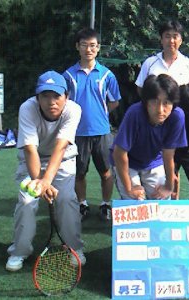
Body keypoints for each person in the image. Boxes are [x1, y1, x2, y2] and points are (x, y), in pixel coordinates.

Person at [6, 70, 85, 271]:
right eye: (45, 96)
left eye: (57, 96)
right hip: (31, 159)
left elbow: (60, 147)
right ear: (37, 97)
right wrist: (39, 184)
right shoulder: (27, 108)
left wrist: (46, 181)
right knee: (26, 200)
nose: (52, 102)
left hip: (63, 159)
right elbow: (30, 149)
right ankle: (19, 250)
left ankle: (74, 248)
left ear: (66, 97)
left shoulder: (73, 110)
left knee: (67, 198)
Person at [63, 28, 122, 221]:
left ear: (98, 48)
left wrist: (101, 114)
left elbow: (114, 101)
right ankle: (82, 204)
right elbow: (63, 102)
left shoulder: (107, 75)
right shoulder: (68, 75)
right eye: (84, 45)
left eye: (92, 45)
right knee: (79, 173)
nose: (88, 49)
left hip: (102, 131)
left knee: (106, 172)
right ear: (77, 47)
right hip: (77, 133)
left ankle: (105, 204)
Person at [112, 74, 187, 200]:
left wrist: (169, 186)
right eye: (154, 102)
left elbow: (168, 154)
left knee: (160, 199)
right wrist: (130, 188)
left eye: (166, 103)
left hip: (153, 161)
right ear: (146, 102)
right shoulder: (134, 114)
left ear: (173, 104)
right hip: (128, 161)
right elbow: (119, 153)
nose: (160, 110)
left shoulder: (177, 116)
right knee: (135, 202)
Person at [135, 20, 189, 96]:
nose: (171, 41)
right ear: (161, 40)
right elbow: (140, 88)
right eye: (167, 36)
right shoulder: (149, 63)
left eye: (175, 37)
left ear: (181, 41)